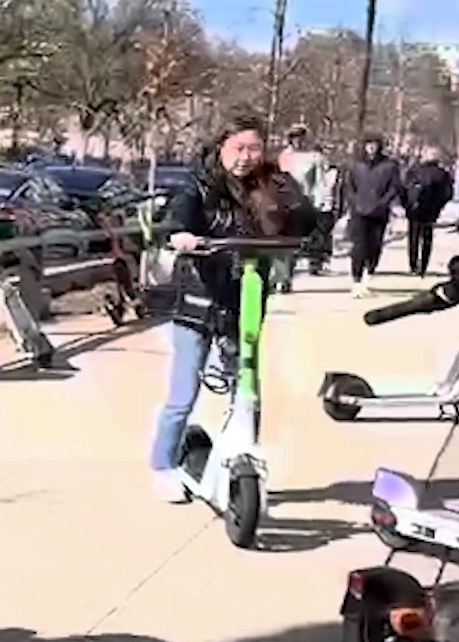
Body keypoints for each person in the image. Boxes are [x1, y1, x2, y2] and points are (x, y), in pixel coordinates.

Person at [152, 115, 314, 504]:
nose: (245, 157)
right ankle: (162, 465)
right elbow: (178, 213)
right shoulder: (199, 183)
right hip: (199, 299)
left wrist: (298, 203)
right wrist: (180, 234)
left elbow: (306, 219)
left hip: (247, 298)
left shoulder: (272, 182)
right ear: (221, 147)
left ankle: (242, 459)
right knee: (183, 392)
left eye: (253, 149)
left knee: (247, 389)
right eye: (238, 148)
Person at [342, 133, 403, 297]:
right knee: (358, 246)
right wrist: (354, 202)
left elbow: (394, 187)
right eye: (368, 144)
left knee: (374, 245)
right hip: (359, 211)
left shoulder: (389, 165)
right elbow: (349, 186)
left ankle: (369, 274)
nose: (371, 147)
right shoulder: (355, 165)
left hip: (379, 212)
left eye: (374, 144)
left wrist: (383, 203)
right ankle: (356, 280)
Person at [278, 124, 335, 274]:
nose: (298, 141)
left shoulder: (314, 157)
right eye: (294, 138)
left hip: (307, 202)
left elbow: (319, 182)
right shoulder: (284, 157)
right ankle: (285, 275)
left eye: (300, 138)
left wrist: (323, 201)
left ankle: (315, 262)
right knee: (288, 240)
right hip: (287, 204)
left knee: (310, 237)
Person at [402, 147, 454, 277]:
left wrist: (406, 205)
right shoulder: (442, 173)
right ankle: (423, 266)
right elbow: (448, 193)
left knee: (413, 237)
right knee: (427, 238)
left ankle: (413, 264)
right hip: (431, 211)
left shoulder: (414, 171)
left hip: (413, 210)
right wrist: (438, 207)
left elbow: (403, 189)